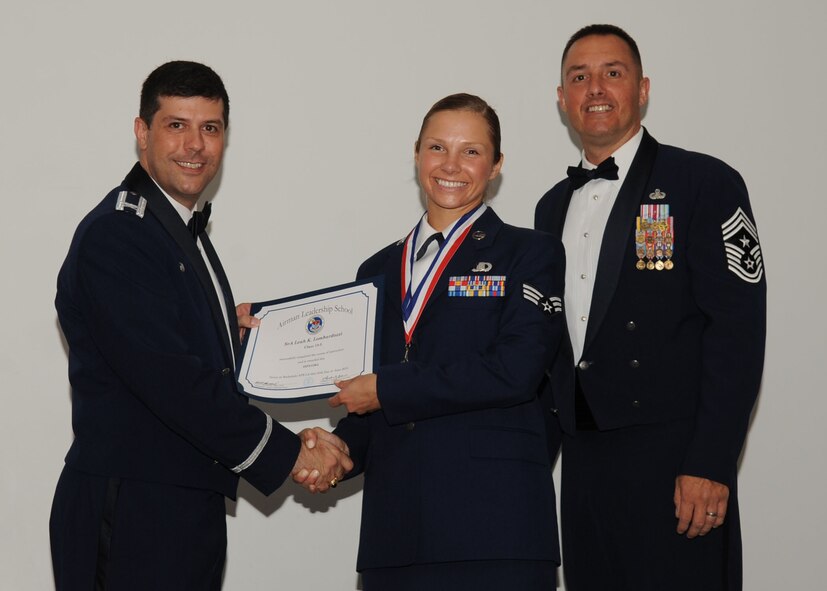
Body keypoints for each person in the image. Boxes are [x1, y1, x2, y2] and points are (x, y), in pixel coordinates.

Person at [50, 60, 352, 590]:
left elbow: (164, 344)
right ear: (143, 132)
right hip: (133, 511)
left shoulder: (178, 228)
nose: (195, 144)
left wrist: (223, 335)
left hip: (180, 504)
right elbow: (171, 380)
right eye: (176, 125)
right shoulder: (121, 234)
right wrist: (289, 451)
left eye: (209, 128)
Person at [535, 24, 766, 590]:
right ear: (561, 99)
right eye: (579, 76)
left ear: (642, 89)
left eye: (613, 73)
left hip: (675, 462)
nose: (596, 88)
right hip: (585, 465)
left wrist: (711, 462)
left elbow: (736, 331)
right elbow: (551, 350)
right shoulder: (549, 208)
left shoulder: (704, 182)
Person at [313, 93, 566, 589]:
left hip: (496, 530)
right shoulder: (377, 270)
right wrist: (336, 449)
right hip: (397, 535)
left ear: (496, 165)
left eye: (471, 151)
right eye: (437, 147)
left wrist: (385, 389)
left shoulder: (530, 253)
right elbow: (369, 402)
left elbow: (515, 370)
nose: (451, 165)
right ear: (416, 155)